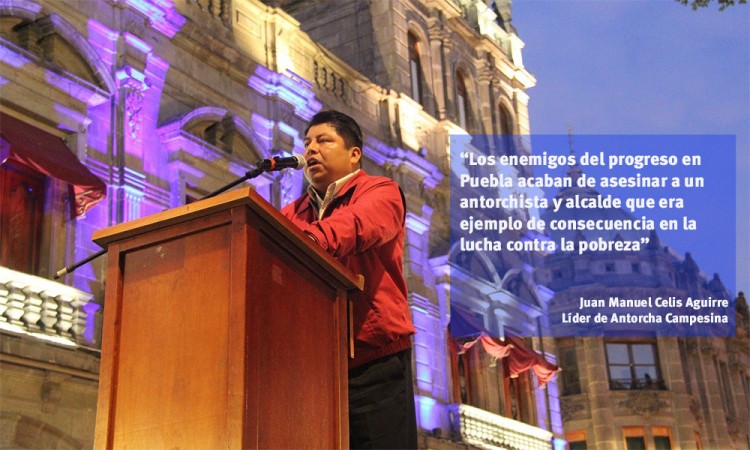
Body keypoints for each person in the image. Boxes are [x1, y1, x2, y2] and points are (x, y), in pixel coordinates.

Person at [281, 110, 418, 449]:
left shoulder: (382, 191)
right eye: (307, 142)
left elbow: (357, 224)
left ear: (354, 153)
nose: (311, 149)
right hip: (311, 366)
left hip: (373, 358)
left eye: (323, 140)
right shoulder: (291, 213)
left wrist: (308, 240)